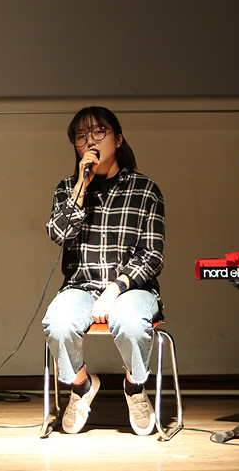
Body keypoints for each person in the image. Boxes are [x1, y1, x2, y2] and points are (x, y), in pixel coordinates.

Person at [43, 106, 165, 436]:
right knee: (57, 323)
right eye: (80, 136)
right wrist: (81, 186)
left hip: (131, 289)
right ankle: (82, 386)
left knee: (131, 322)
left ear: (118, 139)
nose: (90, 141)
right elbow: (58, 234)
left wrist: (115, 289)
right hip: (81, 287)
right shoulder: (67, 188)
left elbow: (152, 255)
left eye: (99, 132)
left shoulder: (145, 189)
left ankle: (134, 388)